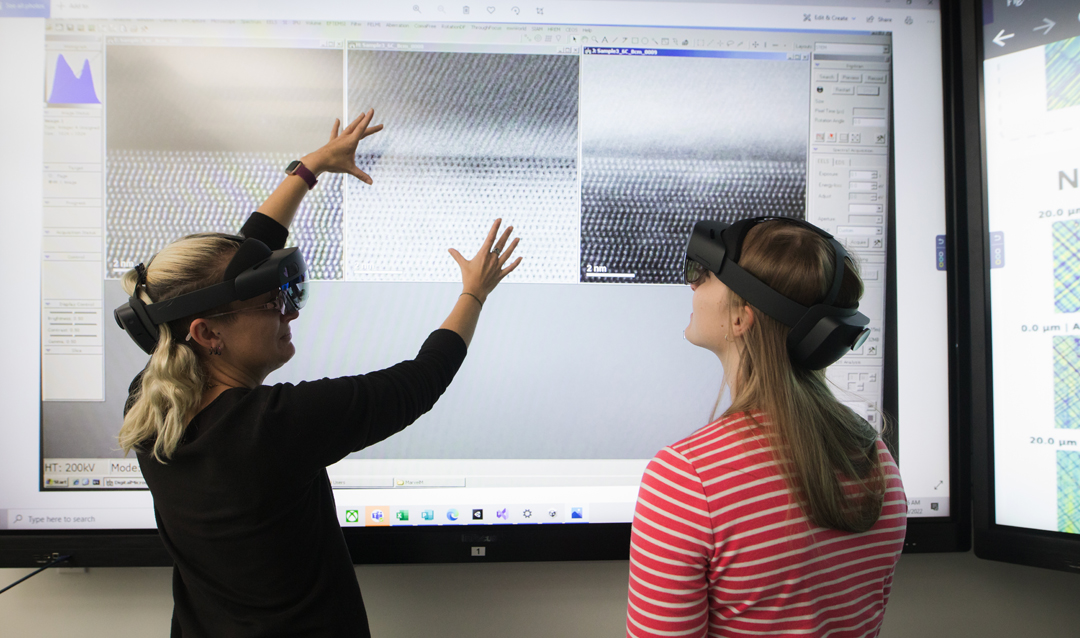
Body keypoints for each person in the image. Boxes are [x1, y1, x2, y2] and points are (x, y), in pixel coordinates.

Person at [115, 110, 521, 637]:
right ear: (208, 334)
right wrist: (474, 292)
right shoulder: (274, 429)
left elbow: (234, 262)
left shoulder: (150, 401)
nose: (292, 312)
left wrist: (312, 167)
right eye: (274, 302)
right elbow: (419, 382)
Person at [626, 217, 906, 638]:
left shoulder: (686, 480)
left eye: (704, 275)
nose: (692, 286)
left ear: (742, 317)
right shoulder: (874, 459)